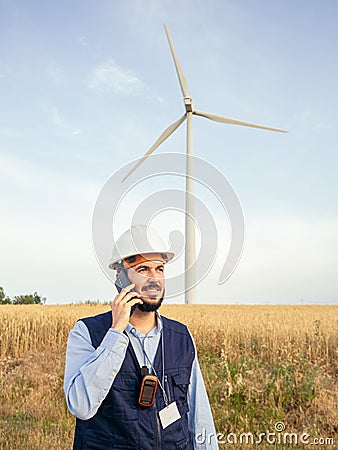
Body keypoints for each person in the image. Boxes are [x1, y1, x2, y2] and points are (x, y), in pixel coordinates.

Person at [64, 224, 218, 449]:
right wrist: (115, 332)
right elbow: (80, 406)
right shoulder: (87, 333)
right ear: (121, 278)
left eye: (160, 269)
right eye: (144, 269)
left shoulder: (181, 337)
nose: (154, 279)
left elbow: (200, 417)